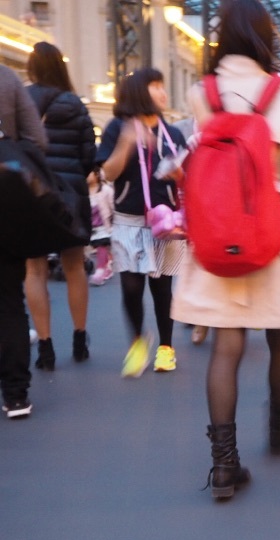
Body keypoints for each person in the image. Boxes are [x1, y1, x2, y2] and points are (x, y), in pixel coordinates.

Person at [170, 0, 280, 500]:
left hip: (219, 230)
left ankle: (223, 465)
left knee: (227, 343)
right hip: (274, 230)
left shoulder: (202, 93)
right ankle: (279, 431)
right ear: (266, 36)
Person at [96, 68, 187, 377]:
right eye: (155, 86)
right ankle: (137, 343)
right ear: (138, 91)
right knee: (131, 287)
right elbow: (108, 173)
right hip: (129, 220)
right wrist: (126, 142)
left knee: (162, 288)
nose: (163, 92)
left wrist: (180, 175)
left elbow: (187, 180)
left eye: (162, 86)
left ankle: (166, 347)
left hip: (166, 222)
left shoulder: (172, 134)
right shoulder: (117, 128)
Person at [24, 41, 96, 370]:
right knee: (74, 267)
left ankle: (46, 347)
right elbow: (88, 156)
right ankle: (80, 340)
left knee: (35, 270)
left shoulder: (22, 98)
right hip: (70, 196)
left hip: (33, 195)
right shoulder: (75, 104)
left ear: (32, 68)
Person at [0, 64, 47, 419]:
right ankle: (16, 395)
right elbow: (38, 139)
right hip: (5, 201)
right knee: (9, 302)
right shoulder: (6, 78)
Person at [87, 169, 114, 286]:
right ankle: (107, 267)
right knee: (98, 247)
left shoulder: (106, 190)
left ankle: (100, 270)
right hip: (91, 227)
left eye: (89, 173)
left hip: (104, 225)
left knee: (101, 245)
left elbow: (113, 205)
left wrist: (115, 220)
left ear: (97, 174)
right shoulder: (83, 190)